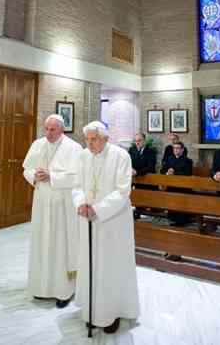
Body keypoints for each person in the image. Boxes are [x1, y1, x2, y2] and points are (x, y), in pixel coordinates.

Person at [72, 121, 139, 334]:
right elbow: (76, 186)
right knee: (91, 264)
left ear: (106, 139)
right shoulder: (83, 156)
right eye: (87, 139)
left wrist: (98, 209)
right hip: (88, 219)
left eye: (94, 139)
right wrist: (81, 202)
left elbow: (122, 191)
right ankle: (92, 310)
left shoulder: (121, 156)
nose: (90, 144)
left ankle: (113, 311)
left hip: (113, 222)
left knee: (110, 266)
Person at [23, 114, 82, 308]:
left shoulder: (73, 148)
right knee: (42, 244)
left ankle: (64, 291)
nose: (48, 133)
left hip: (62, 205)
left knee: (60, 246)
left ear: (61, 130)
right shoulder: (38, 144)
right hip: (41, 202)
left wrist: (52, 176)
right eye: (46, 129)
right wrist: (35, 176)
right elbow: (26, 169)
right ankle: (42, 288)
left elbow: (77, 177)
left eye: (52, 129)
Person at [161, 142, 193, 260]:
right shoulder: (169, 159)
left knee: (181, 213)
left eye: (178, 148)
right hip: (171, 189)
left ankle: (182, 221)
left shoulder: (188, 161)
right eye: (174, 148)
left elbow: (187, 174)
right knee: (172, 210)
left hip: (182, 190)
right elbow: (162, 170)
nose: (176, 150)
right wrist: (166, 172)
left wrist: (174, 173)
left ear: (183, 149)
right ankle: (172, 220)